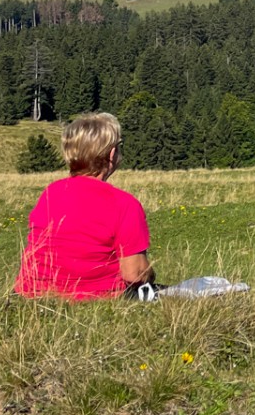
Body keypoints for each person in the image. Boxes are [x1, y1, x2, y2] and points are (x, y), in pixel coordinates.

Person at [14, 112, 155, 299]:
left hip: (32, 296)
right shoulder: (124, 204)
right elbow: (135, 274)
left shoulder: (50, 193)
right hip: (95, 299)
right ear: (112, 154)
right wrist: (151, 275)